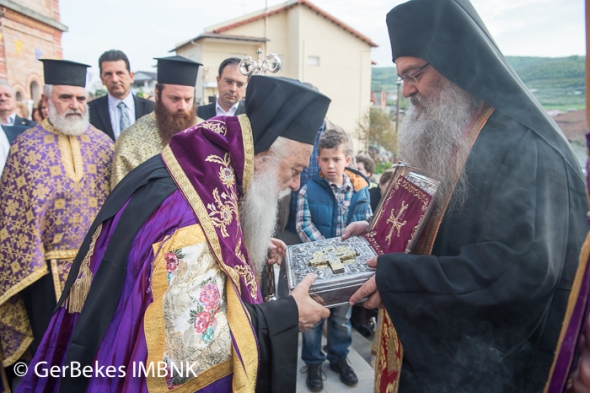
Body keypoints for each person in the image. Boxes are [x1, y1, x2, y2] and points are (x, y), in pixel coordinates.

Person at [18, 75, 332, 393]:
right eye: (294, 170)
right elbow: (191, 354)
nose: (295, 184)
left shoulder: (205, 165)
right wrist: (287, 315)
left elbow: (216, 233)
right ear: (262, 155)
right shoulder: (187, 224)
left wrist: (249, 242)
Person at [344, 1, 589, 392]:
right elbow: (445, 227)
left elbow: (519, 270)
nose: (406, 89)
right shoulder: (453, 131)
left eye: (414, 74)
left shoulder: (527, 147)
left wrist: (397, 276)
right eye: (401, 77)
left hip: (486, 368)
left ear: (454, 61)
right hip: (433, 356)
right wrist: (379, 236)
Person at [0, 59, 114, 390]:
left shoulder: (104, 145)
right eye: (66, 98)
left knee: (93, 354)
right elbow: (13, 219)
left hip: (96, 270)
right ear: (47, 100)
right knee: (49, 356)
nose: (75, 105)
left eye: (80, 98)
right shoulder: (25, 148)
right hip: (42, 275)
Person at [296, 128, 371, 392]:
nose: (331, 165)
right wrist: (327, 252)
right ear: (318, 160)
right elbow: (304, 225)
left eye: (336, 159)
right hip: (316, 271)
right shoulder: (308, 190)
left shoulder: (360, 191)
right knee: (314, 319)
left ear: (347, 160)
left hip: (347, 270)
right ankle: (313, 362)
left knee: (341, 317)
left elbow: (365, 227)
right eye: (325, 159)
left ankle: (339, 358)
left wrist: (344, 254)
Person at [110, 55, 205, 188]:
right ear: (157, 94)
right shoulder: (130, 141)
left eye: (188, 99)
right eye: (174, 99)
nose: (182, 107)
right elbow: (122, 200)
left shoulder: (206, 132)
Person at [88, 50, 155, 141]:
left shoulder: (151, 109)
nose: (115, 79)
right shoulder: (90, 111)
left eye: (120, 73)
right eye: (108, 74)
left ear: (131, 76)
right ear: (102, 79)